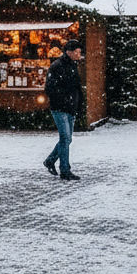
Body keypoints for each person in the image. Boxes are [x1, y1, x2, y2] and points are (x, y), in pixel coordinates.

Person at [43, 39, 85, 181]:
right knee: (65, 138)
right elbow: (49, 88)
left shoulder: (72, 65)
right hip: (60, 108)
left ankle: (50, 160)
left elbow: (76, 87)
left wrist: (78, 103)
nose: (79, 54)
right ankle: (65, 170)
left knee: (67, 139)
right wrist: (64, 99)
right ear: (70, 52)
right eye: (77, 52)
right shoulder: (57, 66)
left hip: (69, 107)